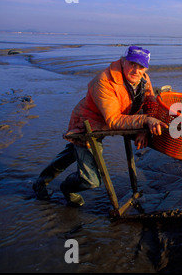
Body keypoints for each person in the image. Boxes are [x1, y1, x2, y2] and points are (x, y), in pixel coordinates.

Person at [32, 46, 168, 207]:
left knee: (73, 151)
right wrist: (145, 121)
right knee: (91, 180)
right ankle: (66, 189)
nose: (136, 70)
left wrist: (145, 130)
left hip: (120, 119)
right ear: (123, 61)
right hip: (89, 124)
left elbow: (149, 101)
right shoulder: (104, 81)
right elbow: (113, 120)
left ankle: (41, 181)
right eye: (132, 64)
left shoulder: (143, 78)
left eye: (141, 67)